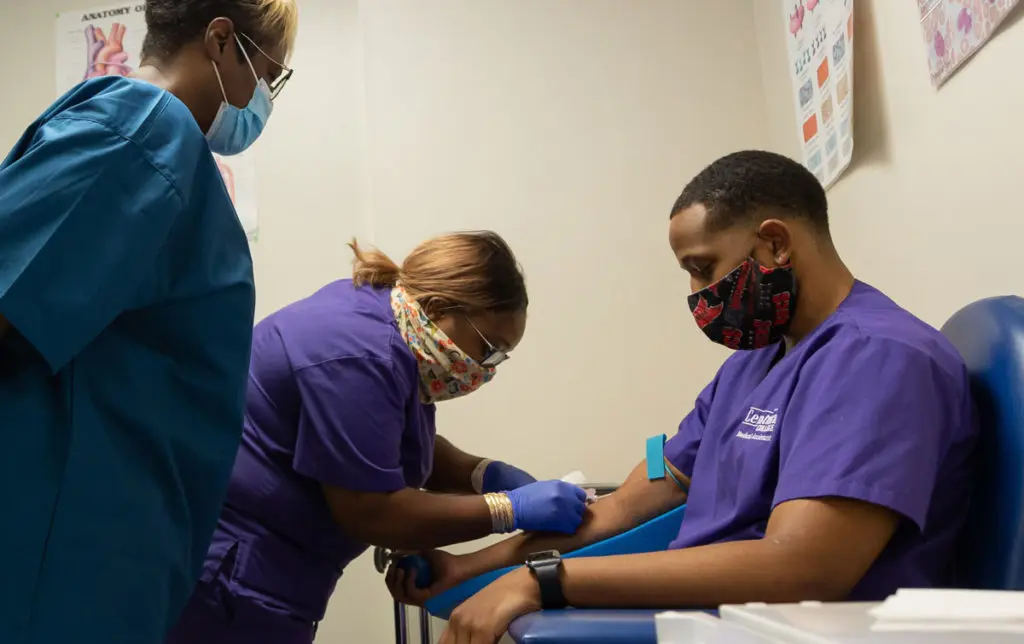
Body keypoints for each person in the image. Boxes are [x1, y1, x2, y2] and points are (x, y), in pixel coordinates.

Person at [391, 151, 979, 644]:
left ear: (774, 243)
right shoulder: (753, 363)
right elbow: (624, 506)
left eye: (703, 268)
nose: (697, 295)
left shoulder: (878, 358)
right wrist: (469, 568)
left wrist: (543, 580)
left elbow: (803, 567)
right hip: (705, 616)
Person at [0, 1, 297, 643]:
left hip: (105, 556)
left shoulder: (163, 146)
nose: (265, 99)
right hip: (63, 565)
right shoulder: (143, 128)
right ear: (222, 41)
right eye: (272, 76)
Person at [166, 231, 589, 644]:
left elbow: (375, 440)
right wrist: (507, 510)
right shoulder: (358, 354)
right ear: (441, 307)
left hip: (260, 572)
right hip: (233, 578)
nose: (488, 369)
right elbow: (374, 513)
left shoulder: (381, 324)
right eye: (489, 349)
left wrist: (481, 474)